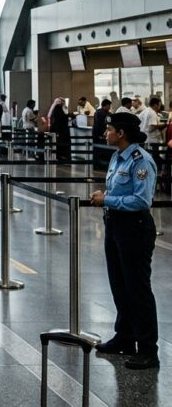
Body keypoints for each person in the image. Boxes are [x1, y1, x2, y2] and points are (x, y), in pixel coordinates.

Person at [89, 112, 160, 370]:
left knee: (137, 288)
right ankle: (125, 337)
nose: (104, 133)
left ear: (121, 133)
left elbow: (142, 200)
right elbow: (121, 190)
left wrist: (107, 199)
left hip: (135, 228)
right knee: (119, 285)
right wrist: (106, 194)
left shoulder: (141, 161)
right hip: (115, 225)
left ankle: (148, 349)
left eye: (109, 130)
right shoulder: (117, 157)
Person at [47, 98, 71, 162]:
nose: (63, 104)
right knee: (59, 143)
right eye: (62, 102)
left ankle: (55, 155)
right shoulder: (58, 108)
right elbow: (62, 117)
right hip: (59, 129)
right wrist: (69, 115)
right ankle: (59, 156)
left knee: (55, 143)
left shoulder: (54, 108)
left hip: (55, 128)